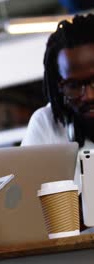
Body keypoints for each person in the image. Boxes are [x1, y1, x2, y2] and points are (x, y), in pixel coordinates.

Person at [21, 14, 94, 186]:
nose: (89, 96)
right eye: (74, 86)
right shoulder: (46, 124)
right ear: (59, 87)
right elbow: (23, 196)